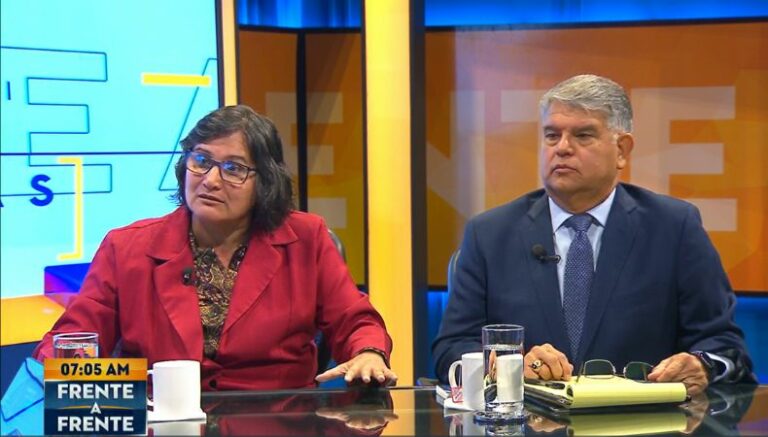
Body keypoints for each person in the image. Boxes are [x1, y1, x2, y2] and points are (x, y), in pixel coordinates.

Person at [34, 105, 397, 390]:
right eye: (202, 161)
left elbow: (355, 319)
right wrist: (59, 370)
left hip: (278, 419)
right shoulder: (127, 247)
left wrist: (368, 352)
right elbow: (75, 337)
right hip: (163, 420)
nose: (210, 180)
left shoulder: (305, 239)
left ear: (265, 181)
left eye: (233, 169)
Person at [433, 74, 755, 396]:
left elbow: (724, 346)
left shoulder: (674, 228)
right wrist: (511, 368)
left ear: (622, 150)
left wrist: (702, 364)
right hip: (529, 418)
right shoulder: (489, 235)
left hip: (641, 419)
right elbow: (451, 348)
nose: (562, 148)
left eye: (583, 135)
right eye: (551, 135)